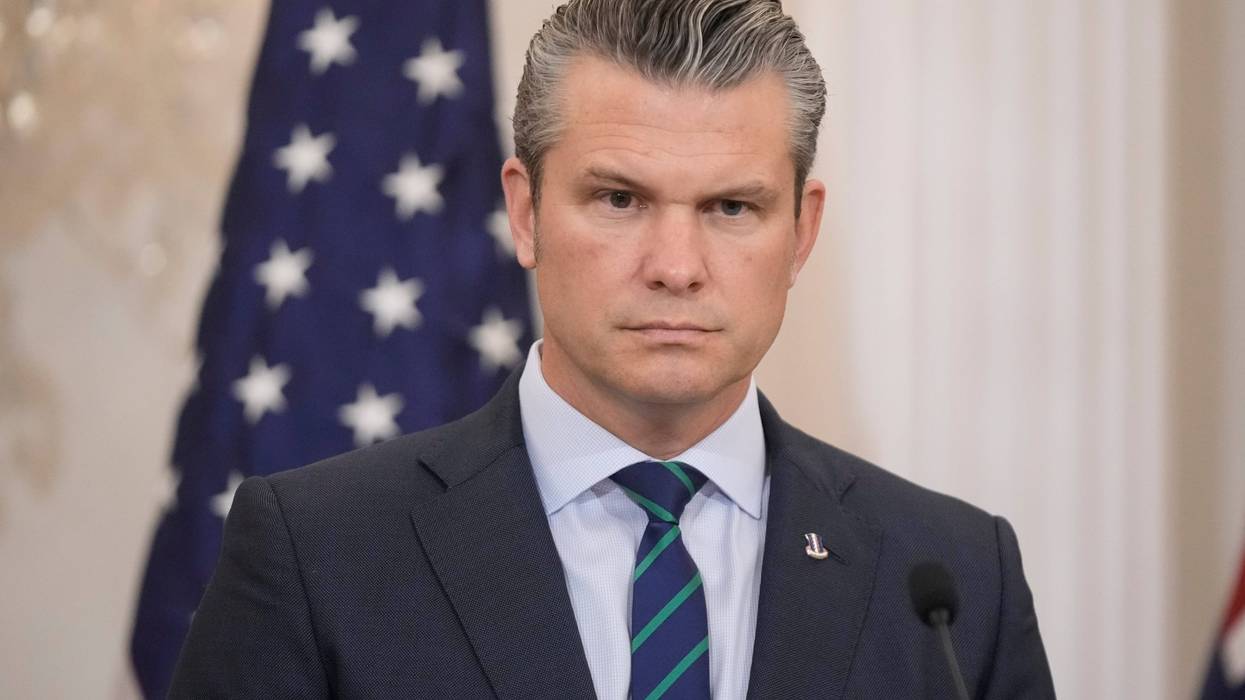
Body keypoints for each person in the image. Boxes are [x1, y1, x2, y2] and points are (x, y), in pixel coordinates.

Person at [171, 1, 1056, 697]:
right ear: (524, 212)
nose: (676, 267)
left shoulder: (954, 582)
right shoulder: (316, 554)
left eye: (731, 208)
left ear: (801, 231)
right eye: (619, 200)